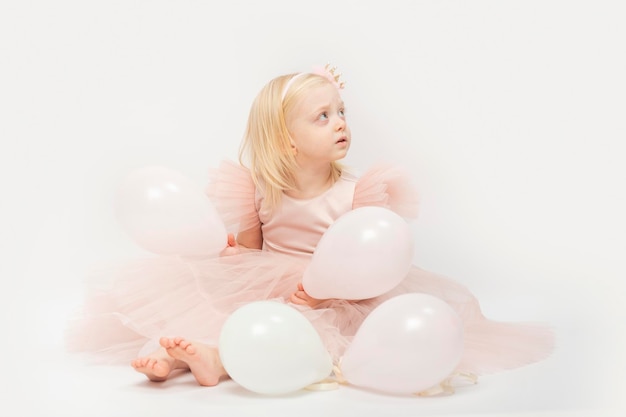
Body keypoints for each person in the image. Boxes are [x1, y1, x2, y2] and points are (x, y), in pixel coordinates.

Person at [66, 65, 553, 390]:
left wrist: (319, 295)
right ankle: (178, 358)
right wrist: (234, 258)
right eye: (322, 116)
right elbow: (253, 253)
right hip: (269, 282)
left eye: (341, 112)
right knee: (219, 308)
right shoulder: (256, 188)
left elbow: (368, 265)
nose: (340, 122)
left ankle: (216, 360)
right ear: (287, 140)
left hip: (336, 295)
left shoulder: (358, 194)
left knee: (303, 331)